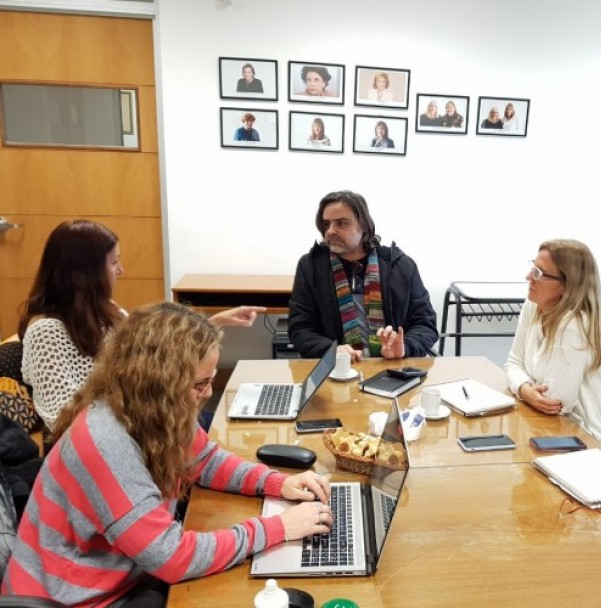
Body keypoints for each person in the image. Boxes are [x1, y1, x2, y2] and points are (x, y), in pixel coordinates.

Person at [2, 302, 333, 605]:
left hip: (121, 575)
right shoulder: (103, 440)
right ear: (158, 383)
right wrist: (277, 528)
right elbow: (171, 558)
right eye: (199, 385)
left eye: (211, 382)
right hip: (72, 599)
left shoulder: (159, 408)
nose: (206, 395)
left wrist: (276, 483)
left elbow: (207, 461)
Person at [18, 220, 264, 433]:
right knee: (222, 437)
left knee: (235, 425)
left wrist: (214, 322)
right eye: (114, 263)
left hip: (145, 422)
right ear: (85, 273)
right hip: (117, 439)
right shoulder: (46, 332)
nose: (121, 271)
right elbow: (62, 418)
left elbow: (152, 352)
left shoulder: (105, 311)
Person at [504, 239, 601, 447]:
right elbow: (512, 362)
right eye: (532, 268)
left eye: (538, 273)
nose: (528, 277)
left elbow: (555, 403)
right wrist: (525, 389)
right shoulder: (533, 305)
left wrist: (524, 387)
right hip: (569, 430)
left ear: (567, 285)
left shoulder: (572, 326)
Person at [288, 190, 438, 362]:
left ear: (364, 225)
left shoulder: (400, 266)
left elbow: (425, 325)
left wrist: (405, 347)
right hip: (335, 367)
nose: (330, 231)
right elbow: (300, 329)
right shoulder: (311, 266)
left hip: (393, 366)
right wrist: (331, 350)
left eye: (341, 223)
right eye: (326, 224)